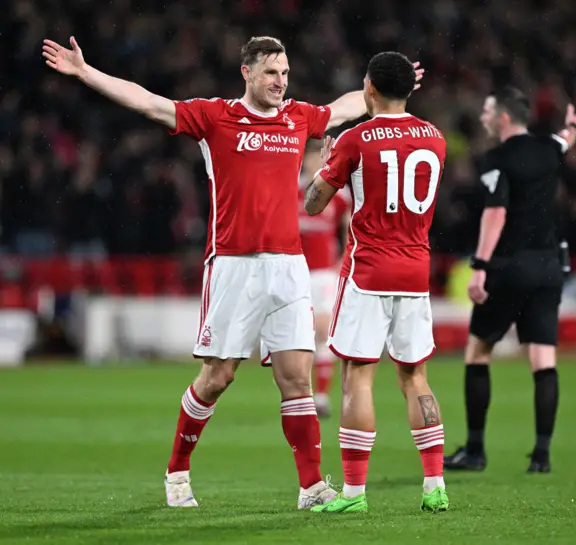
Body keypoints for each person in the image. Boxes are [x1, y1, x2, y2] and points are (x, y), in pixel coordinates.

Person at [42, 35, 424, 509]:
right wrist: (86, 73)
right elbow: (149, 102)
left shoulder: (297, 118)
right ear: (247, 72)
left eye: (285, 73)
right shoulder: (214, 116)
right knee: (218, 376)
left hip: (288, 268)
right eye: (271, 73)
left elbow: (346, 106)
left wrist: (394, 84)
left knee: (297, 380)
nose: (280, 82)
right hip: (233, 265)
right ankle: (177, 470)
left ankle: (310, 487)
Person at [302, 51, 449, 514]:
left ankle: (353, 494)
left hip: (368, 269)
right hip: (415, 269)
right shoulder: (436, 138)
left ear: (368, 87)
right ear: (411, 89)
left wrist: (326, 167)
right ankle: (435, 486)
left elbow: (312, 205)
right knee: (416, 378)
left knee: (358, 380)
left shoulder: (355, 138)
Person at [444, 87, 576, 473]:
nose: (482, 115)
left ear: (504, 118)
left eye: (487, 109)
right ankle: (542, 455)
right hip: (549, 267)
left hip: (509, 266)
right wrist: (575, 128)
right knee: (543, 360)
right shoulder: (548, 147)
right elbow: (564, 141)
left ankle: (476, 450)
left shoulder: (496, 158)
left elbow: (495, 212)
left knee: (478, 352)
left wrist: (480, 265)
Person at [298, 142, 350, 417]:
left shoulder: (337, 194)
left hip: (323, 273)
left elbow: (351, 228)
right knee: (298, 336)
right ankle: (302, 396)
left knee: (322, 332)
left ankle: (320, 397)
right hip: (294, 272)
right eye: (309, 160)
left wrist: (342, 262)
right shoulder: (291, 190)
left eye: (318, 160)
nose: (313, 164)